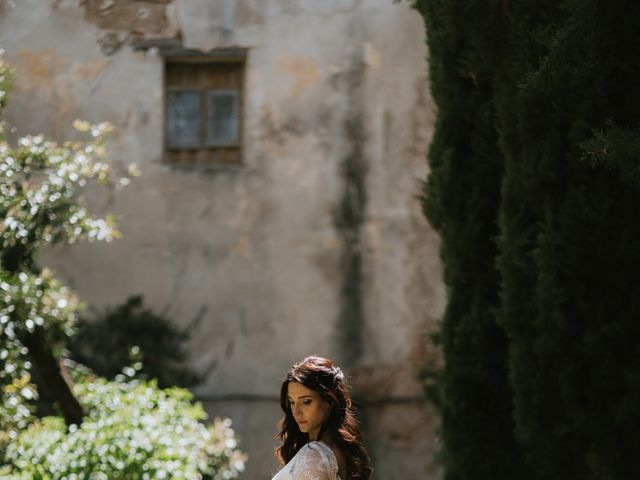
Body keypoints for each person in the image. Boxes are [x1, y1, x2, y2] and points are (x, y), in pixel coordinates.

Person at [272, 356, 372, 480]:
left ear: (329, 400)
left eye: (306, 401)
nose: (296, 413)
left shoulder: (314, 456)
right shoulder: (339, 449)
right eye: (292, 402)